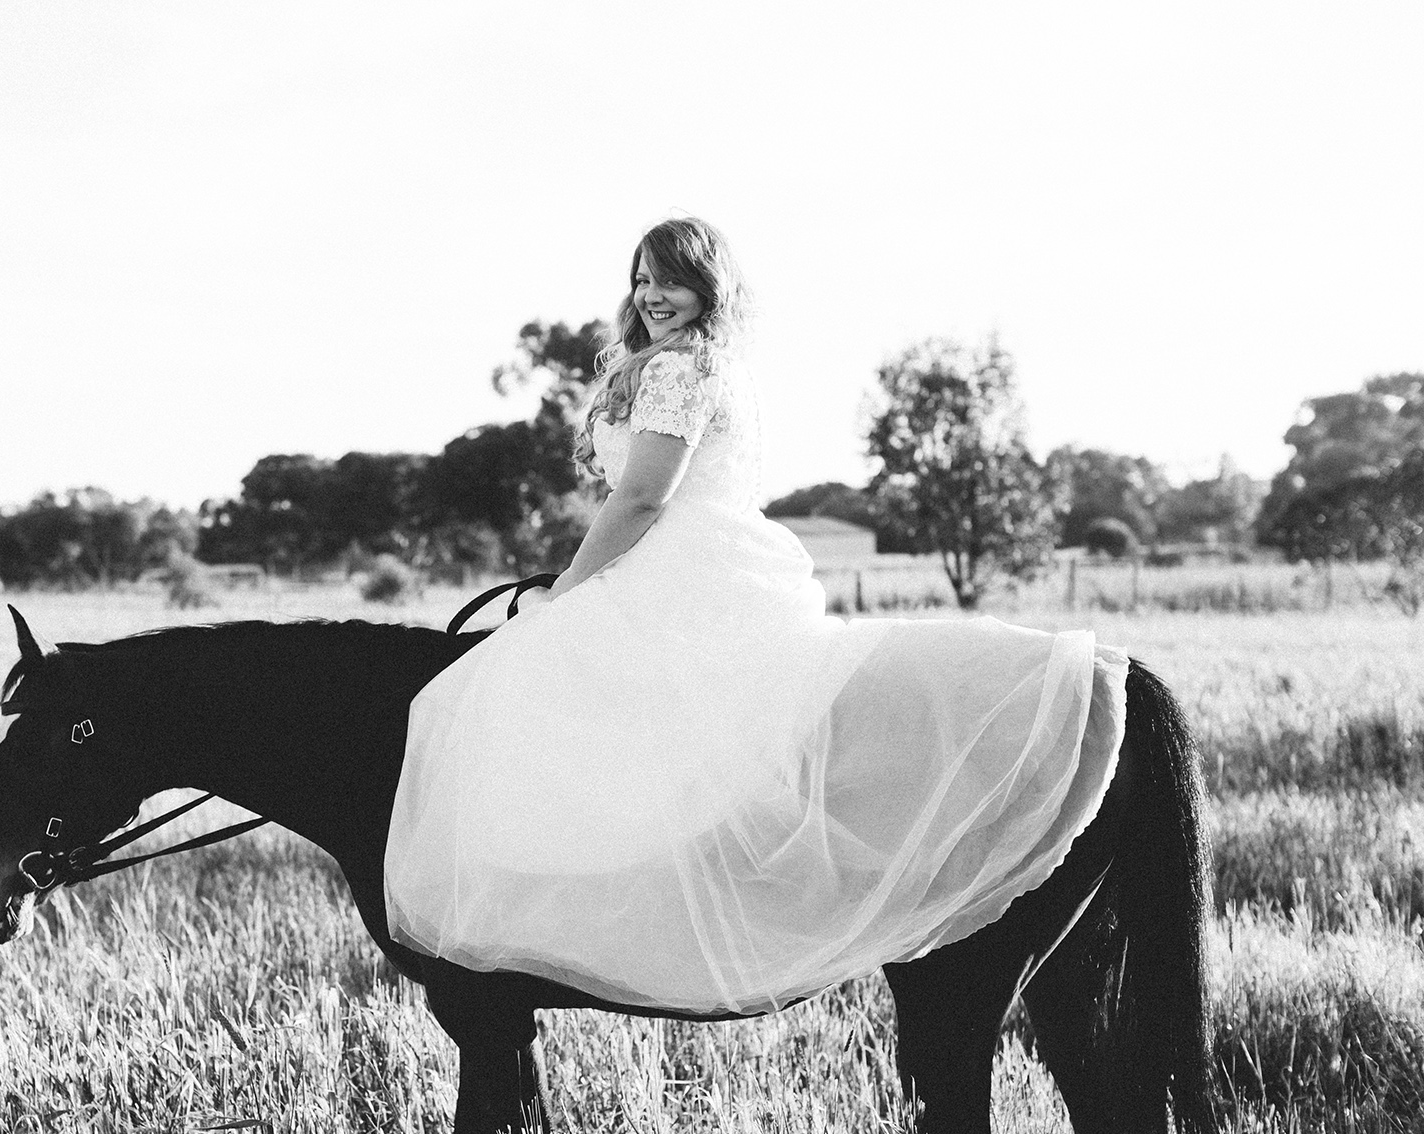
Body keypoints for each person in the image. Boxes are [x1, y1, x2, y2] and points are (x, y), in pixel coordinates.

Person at [383, 217, 1125, 1015]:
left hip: (681, 564)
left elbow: (640, 496)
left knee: (522, 682)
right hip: (691, 554)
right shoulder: (702, 365)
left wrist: (565, 591)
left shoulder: (677, 370)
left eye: (668, 278)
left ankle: (587, 912)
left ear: (708, 284)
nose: (650, 294)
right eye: (640, 279)